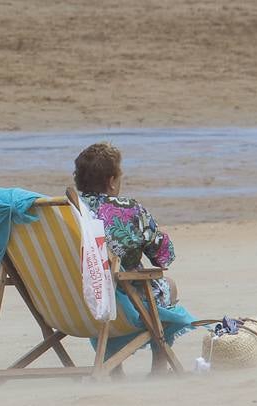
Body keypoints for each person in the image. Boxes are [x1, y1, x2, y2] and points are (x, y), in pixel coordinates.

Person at [74, 141, 192, 371]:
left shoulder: (68, 211)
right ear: (111, 181)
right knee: (168, 285)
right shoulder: (128, 210)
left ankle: (114, 367)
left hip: (78, 302)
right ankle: (159, 367)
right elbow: (164, 257)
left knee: (108, 283)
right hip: (122, 303)